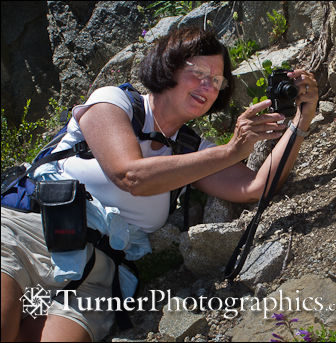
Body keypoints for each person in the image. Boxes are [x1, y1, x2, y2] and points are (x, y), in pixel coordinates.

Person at [1, 26, 318, 341]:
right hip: (27, 233)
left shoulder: (193, 150)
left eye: (217, 81)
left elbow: (256, 187)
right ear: (169, 67)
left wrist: (302, 118)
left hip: (94, 276)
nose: (208, 86)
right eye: (199, 73)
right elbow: (131, 176)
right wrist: (231, 150)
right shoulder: (114, 101)